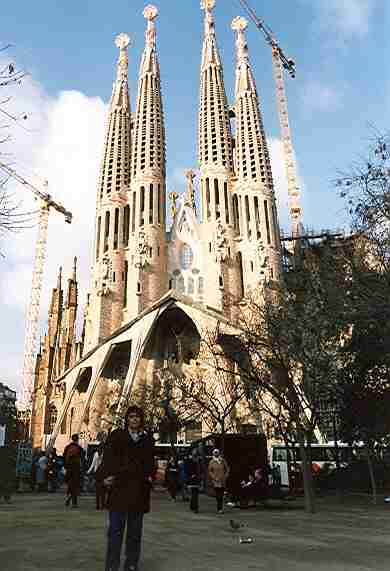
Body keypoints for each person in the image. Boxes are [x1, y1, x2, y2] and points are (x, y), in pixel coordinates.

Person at [101, 405, 155, 571]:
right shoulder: (117, 436)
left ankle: (131, 564)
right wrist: (106, 476)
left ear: (141, 419)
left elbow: (150, 462)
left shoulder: (147, 439)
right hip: (119, 489)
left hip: (138, 492)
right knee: (115, 532)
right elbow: (108, 458)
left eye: (137, 417)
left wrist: (150, 476)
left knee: (134, 534)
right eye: (131, 416)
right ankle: (112, 566)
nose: (135, 419)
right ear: (127, 419)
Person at [63, 433, 83, 508]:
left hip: (69, 469)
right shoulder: (79, 448)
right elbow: (82, 458)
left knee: (70, 485)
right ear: (77, 439)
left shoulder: (67, 447)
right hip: (76, 469)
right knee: (75, 486)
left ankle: (68, 497)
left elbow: (64, 457)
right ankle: (74, 502)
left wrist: (65, 467)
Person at [208, 448, 230, 514]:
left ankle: (220, 508)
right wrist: (214, 477)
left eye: (217, 452)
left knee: (221, 494)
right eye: (215, 453)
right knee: (218, 495)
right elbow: (210, 471)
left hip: (222, 480)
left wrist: (225, 476)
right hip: (216, 481)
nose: (216, 454)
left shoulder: (223, 460)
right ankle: (219, 508)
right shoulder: (211, 462)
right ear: (213, 454)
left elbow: (227, 468)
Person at [87, 443, 106, 510]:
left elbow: (93, 464)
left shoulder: (96, 454)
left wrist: (88, 471)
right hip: (103, 473)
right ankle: (102, 505)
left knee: (98, 490)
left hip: (97, 473)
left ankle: (98, 505)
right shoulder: (105, 454)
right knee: (103, 490)